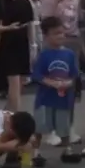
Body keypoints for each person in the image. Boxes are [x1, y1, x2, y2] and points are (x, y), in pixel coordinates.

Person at [29, 16, 81, 150]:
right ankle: (35, 152)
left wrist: (68, 84)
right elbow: (37, 75)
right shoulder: (43, 55)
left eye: (61, 32)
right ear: (46, 36)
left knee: (64, 127)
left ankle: (67, 150)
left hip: (63, 99)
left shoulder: (69, 54)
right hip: (45, 99)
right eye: (55, 33)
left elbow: (74, 75)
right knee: (39, 127)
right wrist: (50, 82)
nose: (60, 36)